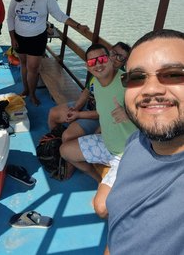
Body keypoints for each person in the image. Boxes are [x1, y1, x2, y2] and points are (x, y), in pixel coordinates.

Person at [106, 29, 184, 255]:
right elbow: (120, 232)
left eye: (173, 74)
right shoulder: (137, 143)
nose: (150, 89)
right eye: (137, 78)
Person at [59, 43, 137, 218]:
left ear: (110, 58)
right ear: (88, 66)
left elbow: (154, 114)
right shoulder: (96, 83)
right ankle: (100, 180)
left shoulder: (127, 81)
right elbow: (103, 113)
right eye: (92, 62)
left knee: (101, 209)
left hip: (128, 153)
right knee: (65, 150)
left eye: (101, 59)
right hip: (107, 144)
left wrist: (130, 114)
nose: (98, 64)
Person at [7, 0, 89, 106]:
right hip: (19, 37)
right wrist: (12, 37)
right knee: (24, 65)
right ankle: (26, 89)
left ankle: (32, 94)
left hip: (37, 38)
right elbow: (10, 16)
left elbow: (60, 15)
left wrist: (78, 25)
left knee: (33, 68)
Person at [48, 42, 131, 144]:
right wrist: (76, 107)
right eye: (113, 53)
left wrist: (78, 114)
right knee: (53, 113)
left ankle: (64, 150)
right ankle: (54, 143)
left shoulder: (121, 81)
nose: (114, 58)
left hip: (98, 117)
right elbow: (87, 91)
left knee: (68, 136)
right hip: (87, 106)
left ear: (124, 62)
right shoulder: (99, 70)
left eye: (120, 57)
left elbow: (105, 113)